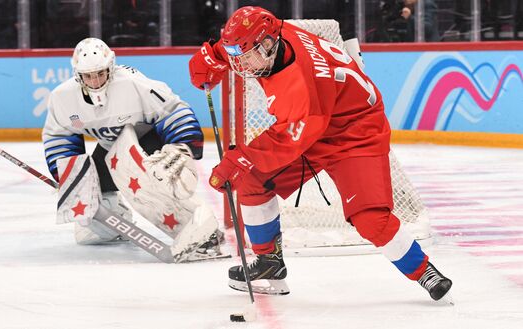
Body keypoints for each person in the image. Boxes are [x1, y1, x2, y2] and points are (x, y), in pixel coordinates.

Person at [188, 6, 453, 300]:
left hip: (355, 132)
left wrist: (243, 158)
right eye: (238, 56)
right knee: (251, 179)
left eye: (246, 56)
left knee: (370, 219)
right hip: (317, 118)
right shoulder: (274, 34)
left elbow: (293, 137)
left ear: (267, 45)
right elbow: (247, 42)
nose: (243, 65)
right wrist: (216, 54)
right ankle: (269, 263)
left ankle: (424, 271)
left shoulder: (300, 79)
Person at [43, 37, 222, 262]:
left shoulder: (133, 84)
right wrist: (69, 176)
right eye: (88, 76)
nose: (95, 81)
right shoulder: (63, 98)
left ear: (111, 68)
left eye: (100, 73)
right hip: (114, 149)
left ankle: (200, 225)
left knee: (157, 177)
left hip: (151, 141)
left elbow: (173, 109)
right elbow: (59, 136)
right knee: (89, 202)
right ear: (78, 76)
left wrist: (181, 147)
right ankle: (113, 216)